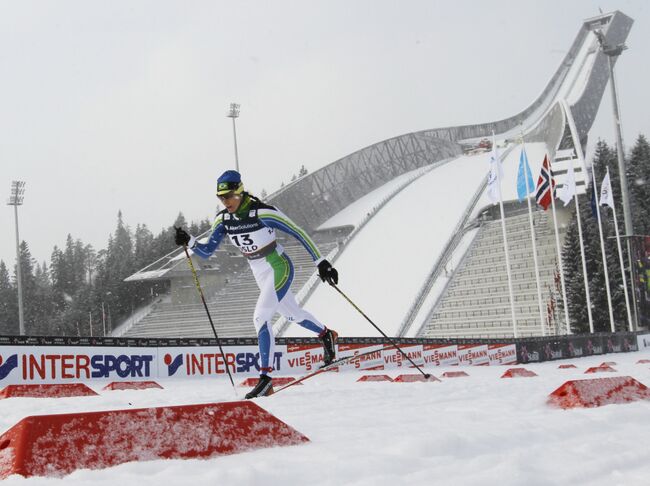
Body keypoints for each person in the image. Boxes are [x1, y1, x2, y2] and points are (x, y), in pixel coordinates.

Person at [175, 170, 339, 399]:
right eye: (221, 198)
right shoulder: (223, 219)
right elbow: (207, 251)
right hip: (259, 272)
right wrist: (190, 241)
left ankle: (266, 379)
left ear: (240, 192)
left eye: (229, 196)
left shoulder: (262, 212)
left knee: (261, 316)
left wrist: (321, 262)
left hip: (278, 265)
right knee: (292, 314)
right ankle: (326, 335)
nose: (226, 202)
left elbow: (298, 231)